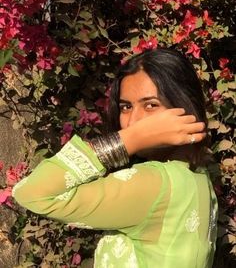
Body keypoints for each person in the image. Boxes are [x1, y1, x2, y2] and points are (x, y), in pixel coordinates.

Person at [13, 48, 218, 268]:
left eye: (151, 105)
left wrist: (130, 140)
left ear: (183, 107)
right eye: (126, 107)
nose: (133, 121)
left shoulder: (152, 183)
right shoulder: (196, 175)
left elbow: (31, 193)